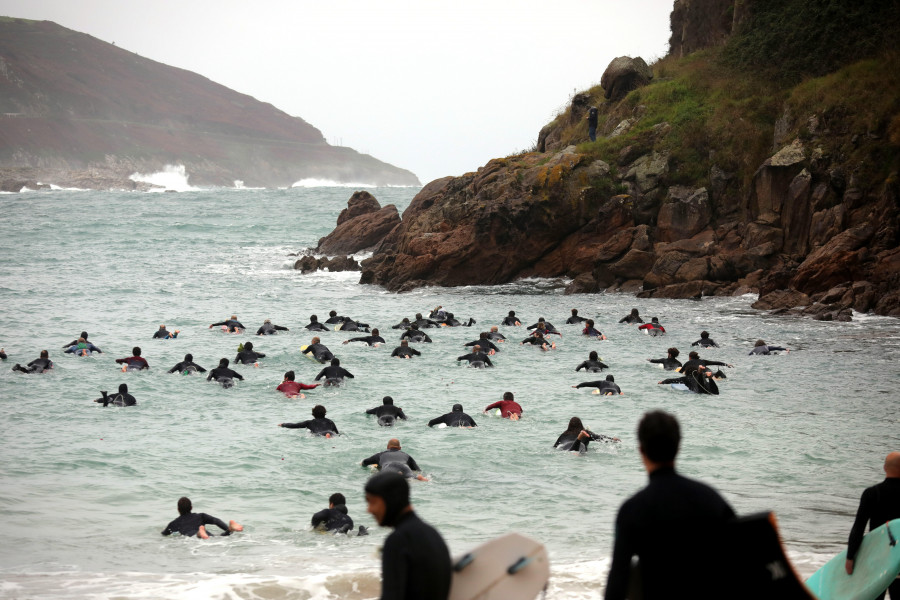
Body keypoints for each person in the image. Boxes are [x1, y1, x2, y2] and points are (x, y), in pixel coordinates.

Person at [605, 411, 735, 600]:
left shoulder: (632, 510)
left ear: (641, 450)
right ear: (678, 447)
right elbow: (739, 559)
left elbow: (618, 578)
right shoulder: (711, 499)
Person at [364, 471, 451, 599]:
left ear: (390, 499)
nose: (369, 510)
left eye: (373, 502)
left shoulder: (398, 540)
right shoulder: (433, 534)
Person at [845, 452, 900, 600]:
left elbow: (858, 527)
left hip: (878, 558)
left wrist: (850, 557)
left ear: (884, 468)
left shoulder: (872, 493)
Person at [161, 496, 243, 539]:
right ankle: (230, 528)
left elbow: (164, 534)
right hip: (208, 534)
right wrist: (226, 528)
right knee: (220, 537)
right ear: (191, 507)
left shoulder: (174, 524)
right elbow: (216, 521)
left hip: (192, 537)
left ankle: (199, 533)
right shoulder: (200, 516)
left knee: (198, 537)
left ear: (178, 509)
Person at [361, 438, 427, 481]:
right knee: (412, 476)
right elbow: (418, 470)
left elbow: (365, 462)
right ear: (400, 448)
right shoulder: (407, 455)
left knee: (377, 475)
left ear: (387, 447)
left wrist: (362, 464)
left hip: (389, 467)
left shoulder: (381, 455)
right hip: (404, 467)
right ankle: (419, 477)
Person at [554, 417, 620, 452]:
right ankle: (579, 438)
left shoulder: (563, 434)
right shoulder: (586, 433)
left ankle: (578, 439)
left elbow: (554, 447)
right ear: (581, 425)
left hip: (564, 447)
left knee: (571, 452)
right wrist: (611, 439)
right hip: (580, 446)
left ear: (568, 425)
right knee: (579, 452)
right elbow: (598, 437)